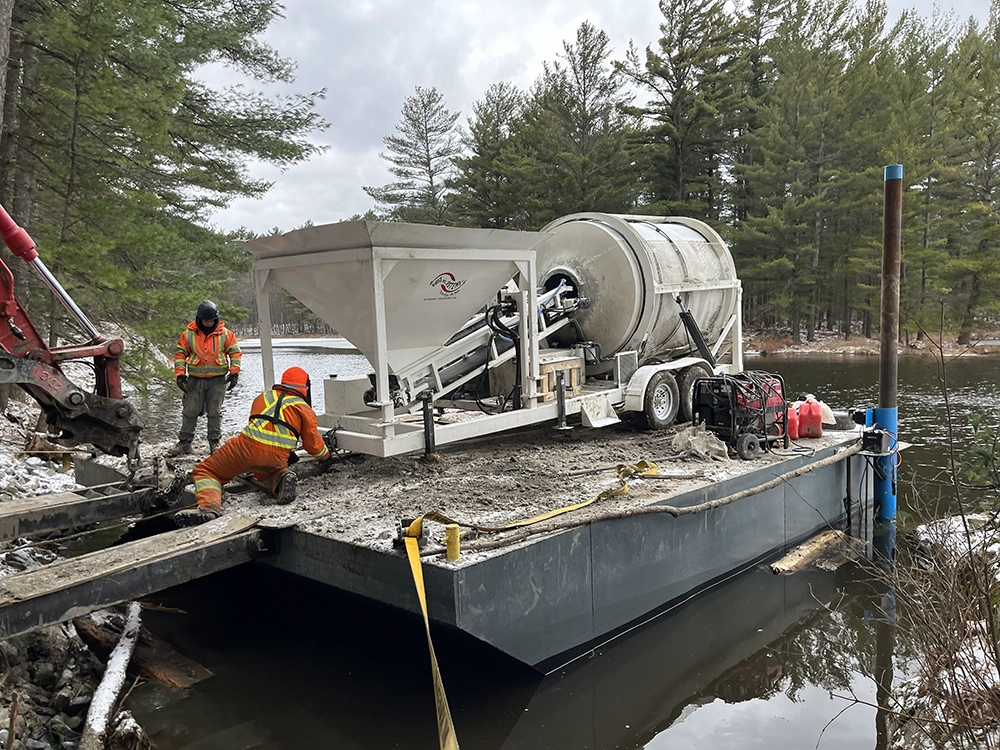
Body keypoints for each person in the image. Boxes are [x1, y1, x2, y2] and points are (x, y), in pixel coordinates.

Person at [175, 366, 334, 526]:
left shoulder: (262, 398)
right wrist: (326, 457)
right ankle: (281, 477)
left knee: (207, 471)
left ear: (283, 382)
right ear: (305, 388)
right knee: (267, 468)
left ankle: (209, 507)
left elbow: (257, 426)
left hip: (245, 449)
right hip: (277, 457)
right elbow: (313, 444)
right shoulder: (304, 409)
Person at [168, 300, 242, 456]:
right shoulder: (188, 334)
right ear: (199, 319)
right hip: (195, 378)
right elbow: (180, 354)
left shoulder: (225, 334)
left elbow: (235, 353)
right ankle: (185, 443)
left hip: (218, 379)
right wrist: (180, 374)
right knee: (190, 410)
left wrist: (234, 373)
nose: (208, 323)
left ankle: (214, 441)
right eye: (205, 320)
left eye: (211, 320)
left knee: (214, 411)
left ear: (216, 319)